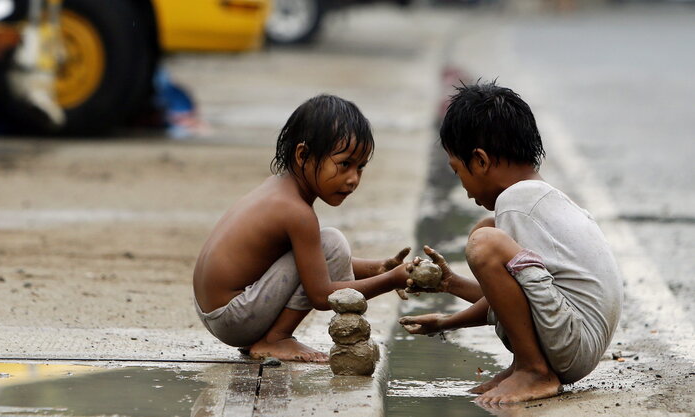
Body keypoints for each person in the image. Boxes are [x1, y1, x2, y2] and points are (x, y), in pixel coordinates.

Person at [399, 81, 623, 404]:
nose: (464, 188)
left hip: (573, 341)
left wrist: (450, 318)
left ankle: (534, 370)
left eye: (458, 171)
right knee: (488, 233)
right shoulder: (539, 199)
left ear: (479, 161)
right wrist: (450, 302)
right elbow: (516, 298)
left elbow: (519, 294)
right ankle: (524, 365)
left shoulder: (516, 202)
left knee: (484, 242)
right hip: (575, 341)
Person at [193, 94, 413, 362]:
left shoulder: (277, 188)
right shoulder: (298, 214)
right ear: (303, 155)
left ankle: (271, 337)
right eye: (344, 164)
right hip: (235, 318)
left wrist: (378, 268)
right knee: (332, 241)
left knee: (328, 244)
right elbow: (320, 295)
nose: (353, 179)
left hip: (217, 311)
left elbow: (308, 261)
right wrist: (391, 281)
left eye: (360, 167)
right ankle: (276, 339)